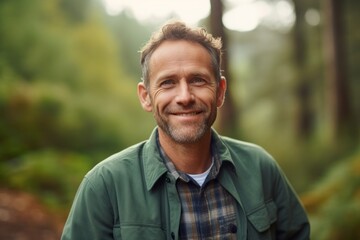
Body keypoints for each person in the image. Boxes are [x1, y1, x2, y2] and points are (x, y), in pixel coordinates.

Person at [61, 20, 310, 240]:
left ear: (221, 91)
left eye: (197, 80)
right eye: (168, 83)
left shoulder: (260, 168)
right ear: (146, 97)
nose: (185, 96)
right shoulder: (104, 186)